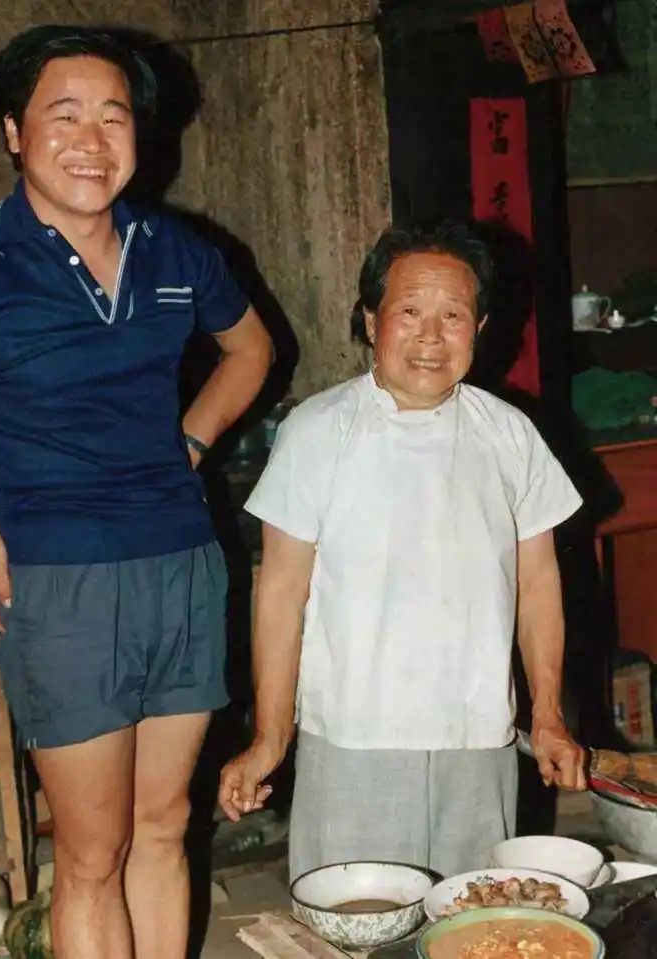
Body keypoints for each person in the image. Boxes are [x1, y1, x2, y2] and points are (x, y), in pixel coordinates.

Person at [0, 25, 272, 959]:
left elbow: (251, 349)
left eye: (114, 117)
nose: (92, 140)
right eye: (64, 115)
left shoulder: (176, 249)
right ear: (14, 132)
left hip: (183, 565)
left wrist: (192, 439)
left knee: (165, 826)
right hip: (61, 583)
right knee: (92, 854)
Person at [219, 220, 587, 881]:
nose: (430, 336)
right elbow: (279, 593)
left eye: (453, 315)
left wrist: (548, 715)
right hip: (352, 742)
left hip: (478, 737)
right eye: (410, 311)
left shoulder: (510, 435)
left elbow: (538, 583)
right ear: (371, 321)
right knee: (355, 920)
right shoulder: (317, 432)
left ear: (479, 328)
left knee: (474, 919)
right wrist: (270, 735)